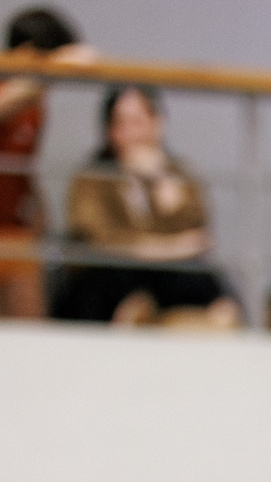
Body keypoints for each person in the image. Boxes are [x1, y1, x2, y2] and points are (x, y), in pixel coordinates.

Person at [53, 85, 239, 327]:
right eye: (122, 123)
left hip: (166, 271)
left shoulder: (178, 173)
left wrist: (159, 183)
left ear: (157, 123)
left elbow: (199, 236)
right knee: (111, 280)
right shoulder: (93, 176)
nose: (131, 133)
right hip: (113, 272)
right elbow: (97, 238)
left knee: (204, 283)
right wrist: (168, 247)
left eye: (138, 122)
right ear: (109, 131)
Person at [1, 7, 95, 320]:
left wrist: (38, 211)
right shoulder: (12, 93)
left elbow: (23, 163)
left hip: (15, 232)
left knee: (28, 333)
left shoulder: (36, 106)